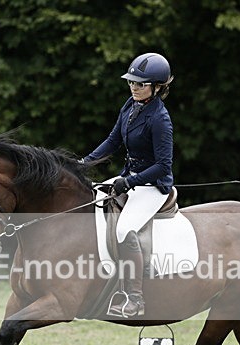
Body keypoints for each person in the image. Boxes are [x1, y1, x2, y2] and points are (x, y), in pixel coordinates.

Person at [82, 52, 175, 318]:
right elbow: (113, 141)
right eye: (131, 82)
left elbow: (163, 166)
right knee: (92, 200)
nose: (134, 87)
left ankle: (135, 298)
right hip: (129, 178)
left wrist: (130, 181)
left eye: (140, 84)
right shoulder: (131, 105)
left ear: (157, 87)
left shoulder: (160, 119)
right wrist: (84, 163)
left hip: (152, 186)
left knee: (124, 229)